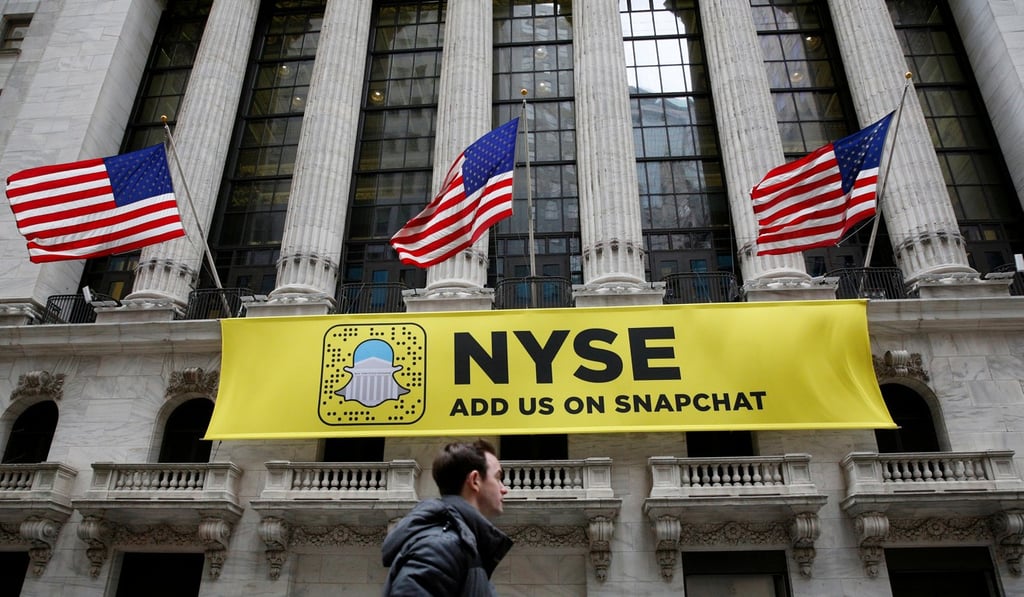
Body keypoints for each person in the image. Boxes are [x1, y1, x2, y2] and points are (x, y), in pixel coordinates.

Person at [382, 439, 513, 596]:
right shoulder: (439, 547)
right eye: (498, 478)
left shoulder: (460, 545)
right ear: (475, 480)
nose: (504, 489)